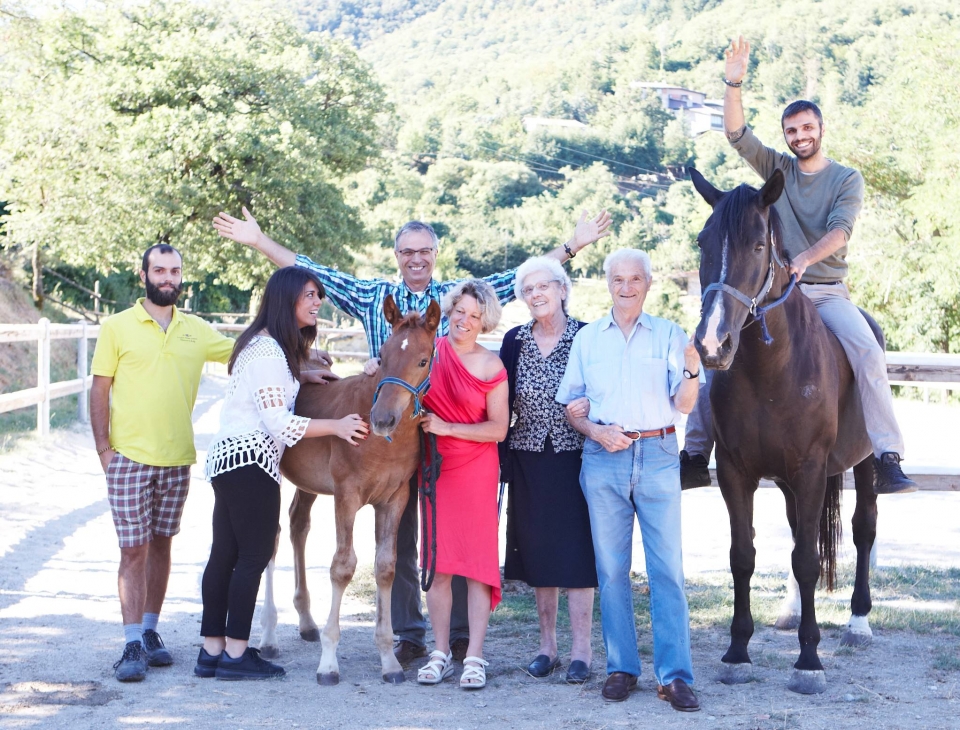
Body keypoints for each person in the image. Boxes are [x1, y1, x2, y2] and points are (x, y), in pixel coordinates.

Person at [212, 208, 610, 666]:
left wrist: (572, 246)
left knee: (453, 532)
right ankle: (408, 631)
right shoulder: (374, 294)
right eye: (408, 252)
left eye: (424, 251)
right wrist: (260, 240)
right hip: (383, 434)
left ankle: (458, 633)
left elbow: (513, 281)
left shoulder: (452, 297)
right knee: (399, 538)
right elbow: (310, 271)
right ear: (397, 255)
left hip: (442, 435)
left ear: (435, 255)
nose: (416, 259)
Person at [680, 35, 917, 495]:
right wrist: (734, 82)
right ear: (786, 136)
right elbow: (736, 135)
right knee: (715, 346)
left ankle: (888, 455)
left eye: (807, 128)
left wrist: (804, 259)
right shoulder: (777, 168)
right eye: (792, 131)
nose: (800, 136)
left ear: (820, 129)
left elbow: (841, 231)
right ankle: (694, 454)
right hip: (769, 297)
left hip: (824, 293)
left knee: (868, 351)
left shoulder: (846, 179)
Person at [196, 267, 368, 680]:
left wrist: (304, 375)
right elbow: (279, 423)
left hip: (229, 459)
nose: (317, 302)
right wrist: (338, 425)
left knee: (225, 554)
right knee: (253, 555)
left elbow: (266, 393)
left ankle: (211, 651)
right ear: (285, 300)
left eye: (318, 295)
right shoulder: (270, 352)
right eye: (310, 295)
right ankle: (237, 656)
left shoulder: (262, 347)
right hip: (252, 459)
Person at [557, 249, 702, 712]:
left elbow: (684, 404)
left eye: (634, 278)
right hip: (603, 458)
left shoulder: (670, 335)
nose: (626, 287)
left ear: (648, 282)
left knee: (667, 572)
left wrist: (694, 367)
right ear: (607, 284)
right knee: (612, 570)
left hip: (658, 453)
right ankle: (622, 667)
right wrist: (596, 430)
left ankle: (675, 676)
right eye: (617, 279)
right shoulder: (587, 340)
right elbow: (572, 407)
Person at [91, 244, 236, 682]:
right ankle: (131, 642)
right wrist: (105, 452)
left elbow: (250, 354)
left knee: (161, 545)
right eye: (159, 270)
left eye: (174, 271)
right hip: (129, 458)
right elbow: (100, 390)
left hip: (177, 459)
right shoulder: (117, 327)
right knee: (132, 551)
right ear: (144, 275)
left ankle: (151, 632)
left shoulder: (196, 330)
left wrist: (306, 366)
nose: (167, 277)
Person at [498, 256, 597, 684]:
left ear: (561, 289)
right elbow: (495, 396)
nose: (535, 295)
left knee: (576, 552)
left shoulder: (588, 336)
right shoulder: (514, 340)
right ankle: (547, 647)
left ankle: (581, 650)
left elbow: (606, 388)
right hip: (527, 455)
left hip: (577, 453)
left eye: (543, 287)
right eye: (528, 290)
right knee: (537, 551)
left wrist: (594, 407)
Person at [414, 279, 508, 690]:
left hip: (477, 471)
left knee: (477, 567)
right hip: (435, 470)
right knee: (438, 565)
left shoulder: (492, 366)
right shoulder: (430, 353)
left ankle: (474, 656)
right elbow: (399, 378)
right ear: (449, 312)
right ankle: (439, 654)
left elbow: (498, 429)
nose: (464, 321)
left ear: (483, 321)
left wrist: (447, 426)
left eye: (474, 316)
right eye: (459, 312)